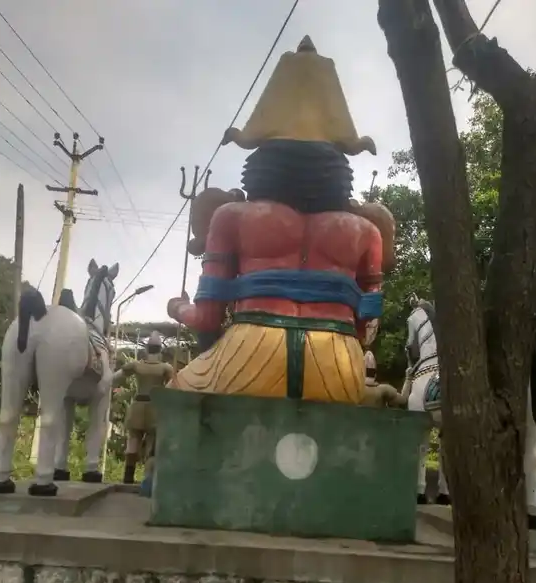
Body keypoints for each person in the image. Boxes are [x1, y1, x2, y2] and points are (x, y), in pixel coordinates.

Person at [167, 36, 396, 404]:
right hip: (339, 369)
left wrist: (176, 308)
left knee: (175, 390)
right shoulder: (367, 231)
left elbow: (208, 319)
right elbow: (366, 332)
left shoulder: (231, 217)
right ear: (338, 165)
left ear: (263, 159)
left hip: (249, 358)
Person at [112, 331, 173, 484]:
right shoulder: (166, 368)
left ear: (146, 349)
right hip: (156, 407)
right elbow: (174, 387)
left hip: (137, 406)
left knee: (133, 440)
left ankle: (128, 476)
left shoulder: (136, 365)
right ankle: (148, 479)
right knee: (152, 444)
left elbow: (115, 378)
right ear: (160, 350)